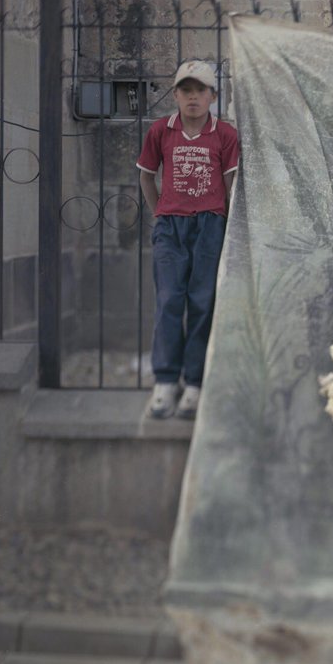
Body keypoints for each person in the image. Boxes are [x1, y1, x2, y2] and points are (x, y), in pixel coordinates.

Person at [137, 60, 240, 419]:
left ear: (213, 95)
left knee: (202, 302)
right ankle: (166, 380)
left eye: (200, 91)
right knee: (168, 299)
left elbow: (230, 186)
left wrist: (224, 224)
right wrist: (160, 213)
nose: (193, 97)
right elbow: (147, 176)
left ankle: (194, 382)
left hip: (210, 226)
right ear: (176, 95)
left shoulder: (224, 135)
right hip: (171, 227)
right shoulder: (161, 131)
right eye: (186, 90)